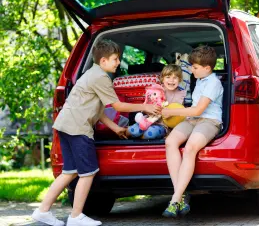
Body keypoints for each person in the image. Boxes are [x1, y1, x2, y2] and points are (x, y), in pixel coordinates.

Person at [31, 39, 160, 226]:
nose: (118, 62)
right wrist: (145, 105)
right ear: (103, 61)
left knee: (69, 172)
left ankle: (42, 211)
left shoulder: (91, 73)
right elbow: (118, 106)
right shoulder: (101, 77)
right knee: (88, 173)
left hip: (65, 125)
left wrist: (115, 128)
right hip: (78, 128)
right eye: (115, 59)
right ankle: (76, 217)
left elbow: (98, 109)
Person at [161, 46, 223, 217]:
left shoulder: (213, 83)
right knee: (170, 142)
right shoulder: (200, 80)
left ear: (207, 68)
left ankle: (174, 200)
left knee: (190, 148)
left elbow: (197, 110)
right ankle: (180, 195)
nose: (191, 70)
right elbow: (193, 113)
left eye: (194, 67)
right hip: (193, 120)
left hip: (209, 120)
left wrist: (171, 112)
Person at [126, 64, 186, 139]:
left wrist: (172, 132)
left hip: (164, 126)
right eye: (168, 77)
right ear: (162, 78)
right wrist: (147, 110)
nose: (171, 80)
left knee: (150, 133)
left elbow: (181, 117)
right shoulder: (155, 90)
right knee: (133, 130)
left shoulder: (180, 95)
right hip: (147, 119)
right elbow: (146, 106)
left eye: (175, 78)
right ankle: (123, 137)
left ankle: (141, 142)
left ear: (180, 79)